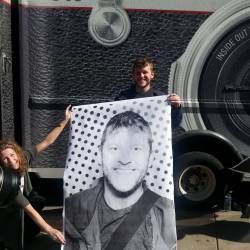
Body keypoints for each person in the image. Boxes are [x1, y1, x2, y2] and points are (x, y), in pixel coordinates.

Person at [64, 111, 176, 250]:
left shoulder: (165, 212)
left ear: (150, 157)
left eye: (136, 149)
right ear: (100, 153)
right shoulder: (75, 207)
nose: (124, 160)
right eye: (114, 148)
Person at [0, 105, 72, 249]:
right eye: (5, 159)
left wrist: (65, 121)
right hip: (9, 220)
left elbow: (47, 141)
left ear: (18, 154)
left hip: (23, 213)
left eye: (12, 155)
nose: (11, 160)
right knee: (13, 240)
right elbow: (29, 210)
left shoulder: (24, 157)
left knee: (37, 202)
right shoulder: (8, 182)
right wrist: (50, 230)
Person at [115, 57, 182, 130]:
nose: (141, 76)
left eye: (144, 72)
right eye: (138, 73)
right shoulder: (122, 98)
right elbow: (115, 124)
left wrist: (176, 107)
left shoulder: (162, 99)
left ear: (152, 75)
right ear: (133, 75)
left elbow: (174, 125)